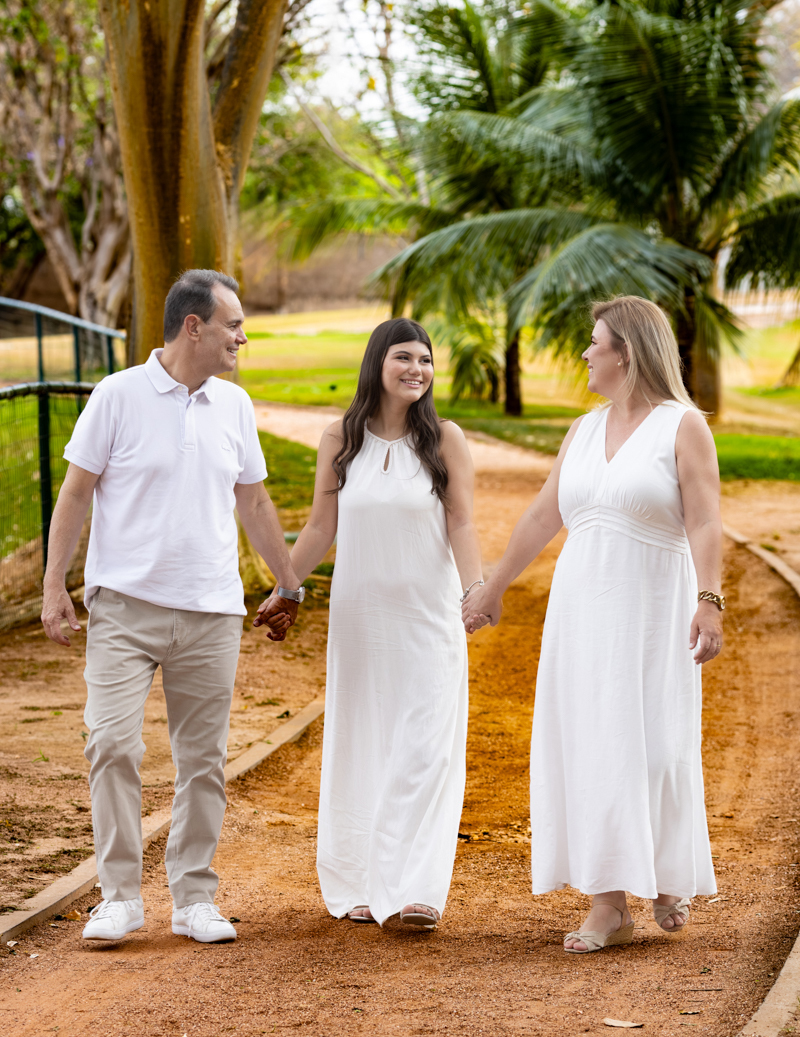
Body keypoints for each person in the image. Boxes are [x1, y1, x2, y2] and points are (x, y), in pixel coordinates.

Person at [41, 269, 303, 944]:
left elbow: (254, 500)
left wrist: (289, 583)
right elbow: (75, 492)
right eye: (233, 325)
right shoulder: (118, 395)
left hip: (212, 612)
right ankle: (119, 898)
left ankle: (193, 898)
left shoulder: (234, 405)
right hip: (124, 609)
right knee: (110, 743)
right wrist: (53, 585)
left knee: (203, 760)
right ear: (194, 326)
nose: (241, 337)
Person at [462, 296, 722, 953]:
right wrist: (494, 586)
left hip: (653, 607)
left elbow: (704, 520)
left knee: (656, 742)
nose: (584, 352)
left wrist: (710, 599)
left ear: (625, 353)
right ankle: (608, 905)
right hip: (581, 609)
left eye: (594, 342)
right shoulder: (581, 430)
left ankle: (664, 871)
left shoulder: (682, 425)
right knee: (593, 741)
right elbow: (542, 516)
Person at [258, 318, 480, 928]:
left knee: (426, 747)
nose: (417, 369)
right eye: (404, 357)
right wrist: (285, 587)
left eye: (426, 360)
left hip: (428, 617)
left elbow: (462, 522)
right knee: (363, 740)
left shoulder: (446, 439)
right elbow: (320, 527)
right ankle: (357, 878)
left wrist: (475, 590)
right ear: (377, 363)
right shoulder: (341, 438)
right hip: (361, 620)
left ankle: (417, 890)